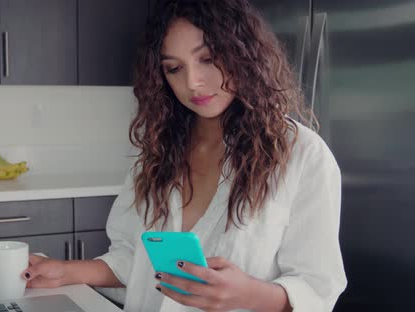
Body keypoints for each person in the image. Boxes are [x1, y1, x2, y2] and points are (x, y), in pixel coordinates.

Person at [20, 0, 347, 311]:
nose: (192, 82)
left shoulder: (302, 155)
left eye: (207, 59)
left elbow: (318, 287)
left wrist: (248, 294)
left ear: (244, 53)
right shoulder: (158, 149)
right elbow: (136, 258)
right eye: (174, 68)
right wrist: (66, 272)